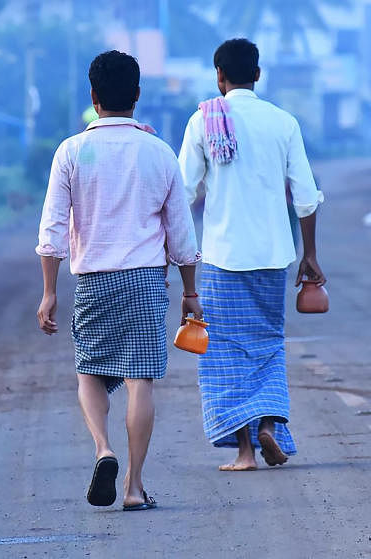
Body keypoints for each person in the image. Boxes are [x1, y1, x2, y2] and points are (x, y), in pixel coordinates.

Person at [35, 50, 202, 511]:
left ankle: (103, 449)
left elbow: (51, 230)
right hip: (147, 281)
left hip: (93, 281)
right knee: (139, 381)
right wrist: (190, 292)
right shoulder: (159, 152)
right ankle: (133, 486)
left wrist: (49, 292)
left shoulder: (71, 151)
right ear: (138, 96)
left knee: (89, 372)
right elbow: (181, 235)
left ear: (93, 96)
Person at [178, 38, 325, 471]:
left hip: (223, 256)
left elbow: (184, 191)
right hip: (273, 254)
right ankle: (269, 426)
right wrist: (310, 256)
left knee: (225, 350)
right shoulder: (283, 122)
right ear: (257, 74)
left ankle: (246, 452)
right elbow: (305, 198)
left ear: (218, 77)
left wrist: (172, 245)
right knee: (267, 345)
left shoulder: (203, 121)